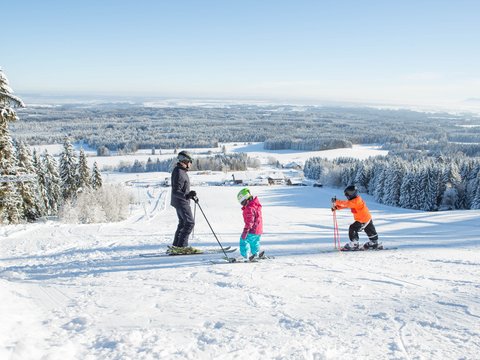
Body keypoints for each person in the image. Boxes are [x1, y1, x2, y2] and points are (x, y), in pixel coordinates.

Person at [332, 185, 380, 250]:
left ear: (354, 193)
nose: (348, 195)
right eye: (347, 193)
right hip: (365, 218)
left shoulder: (357, 200)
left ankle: (354, 243)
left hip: (363, 219)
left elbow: (347, 204)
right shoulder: (354, 200)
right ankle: (374, 242)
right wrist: (337, 207)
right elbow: (347, 205)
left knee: (353, 228)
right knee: (369, 229)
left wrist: (337, 201)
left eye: (349, 193)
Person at [170, 150, 198, 253]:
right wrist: (187, 195)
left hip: (180, 201)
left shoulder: (180, 171)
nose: (190, 164)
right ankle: (182, 247)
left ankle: (176, 246)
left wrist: (191, 195)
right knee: (190, 223)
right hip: (181, 202)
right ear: (186, 161)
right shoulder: (179, 172)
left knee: (183, 223)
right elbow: (176, 191)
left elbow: (182, 189)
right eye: (190, 162)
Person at [237, 188, 264, 260]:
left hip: (251, 230)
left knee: (244, 240)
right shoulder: (256, 206)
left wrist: (246, 230)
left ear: (247, 199)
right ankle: (255, 254)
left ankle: (245, 256)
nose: (243, 205)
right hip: (258, 230)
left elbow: (250, 221)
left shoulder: (249, 208)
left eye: (243, 202)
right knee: (254, 242)